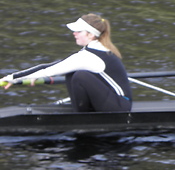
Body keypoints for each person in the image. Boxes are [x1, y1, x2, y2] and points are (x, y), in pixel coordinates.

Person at [0, 13, 132, 112]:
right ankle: (82, 112)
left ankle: (83, 116)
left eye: (79, 31)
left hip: (119, 107)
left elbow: (48, 69)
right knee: (73, 72)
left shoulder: (89, 56)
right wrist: (35, 75)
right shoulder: (96, 48)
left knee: (81, 76)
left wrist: (11, 78)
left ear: (91, 35)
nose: (74, 33)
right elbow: (57, 66)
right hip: (113, 101)